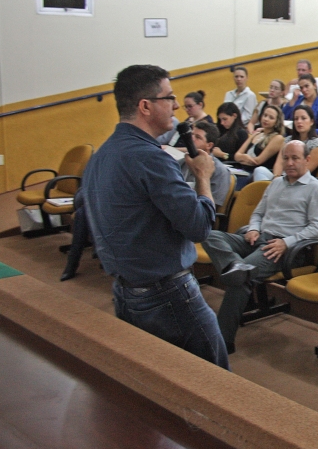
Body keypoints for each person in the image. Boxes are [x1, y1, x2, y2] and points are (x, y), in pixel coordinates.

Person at [81, 64, 228, 368]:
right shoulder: (150, 158)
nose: (176, 105)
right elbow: (200, 226)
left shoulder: (102, 155)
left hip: (126, 290)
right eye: (169, 97)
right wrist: (202, 176)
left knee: (158, 377)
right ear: (145, 106)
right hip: (167, 294)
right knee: (215, 379)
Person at [202, 140, 318, 353]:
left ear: (307, 160)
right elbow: (258, 213)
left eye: (295, 158)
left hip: (286, 248)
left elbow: (317, 228)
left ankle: (222, 340)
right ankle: (237, 268)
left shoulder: (317, 189)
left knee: (240, 281)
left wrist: (286, 242)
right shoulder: (276, 183)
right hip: (259, 238)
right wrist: (254, 228)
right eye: (286, 158)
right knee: (209, 235)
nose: (289, 163)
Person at [180, 121, 232, 207]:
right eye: (192, 134)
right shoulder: (181, 162)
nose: (192, 139)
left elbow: (213, 206)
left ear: (209, 145)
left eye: (198, 137)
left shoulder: (220, 171)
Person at [234, 104, 285, 182]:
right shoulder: (256, 133)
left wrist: (242, 158)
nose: (266, 119)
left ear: (276, 122)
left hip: (257, 173)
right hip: (242, 170)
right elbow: (237, 155)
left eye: (271, 118)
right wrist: (245, 157)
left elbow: (258, 161)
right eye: (265, 115)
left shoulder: (277, 138)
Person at [272, 105, 318, 177]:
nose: (299, 121)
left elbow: (305, 170)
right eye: (296, 119)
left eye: (303, 118)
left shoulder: (317, 144)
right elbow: (279, 162)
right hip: (281, 178)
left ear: (312, 122)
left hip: (300, 181)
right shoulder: (288, 140)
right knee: (260, 170)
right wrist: (276, 178)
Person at [282, 74, 318, 138]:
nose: (304, 90)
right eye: (301, 88)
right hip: (291, 136)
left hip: (311, 138)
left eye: (306, 86)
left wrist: (307, 131)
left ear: (314, 85)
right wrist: (292, 101)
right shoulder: (298, 99)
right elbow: (282, 117)